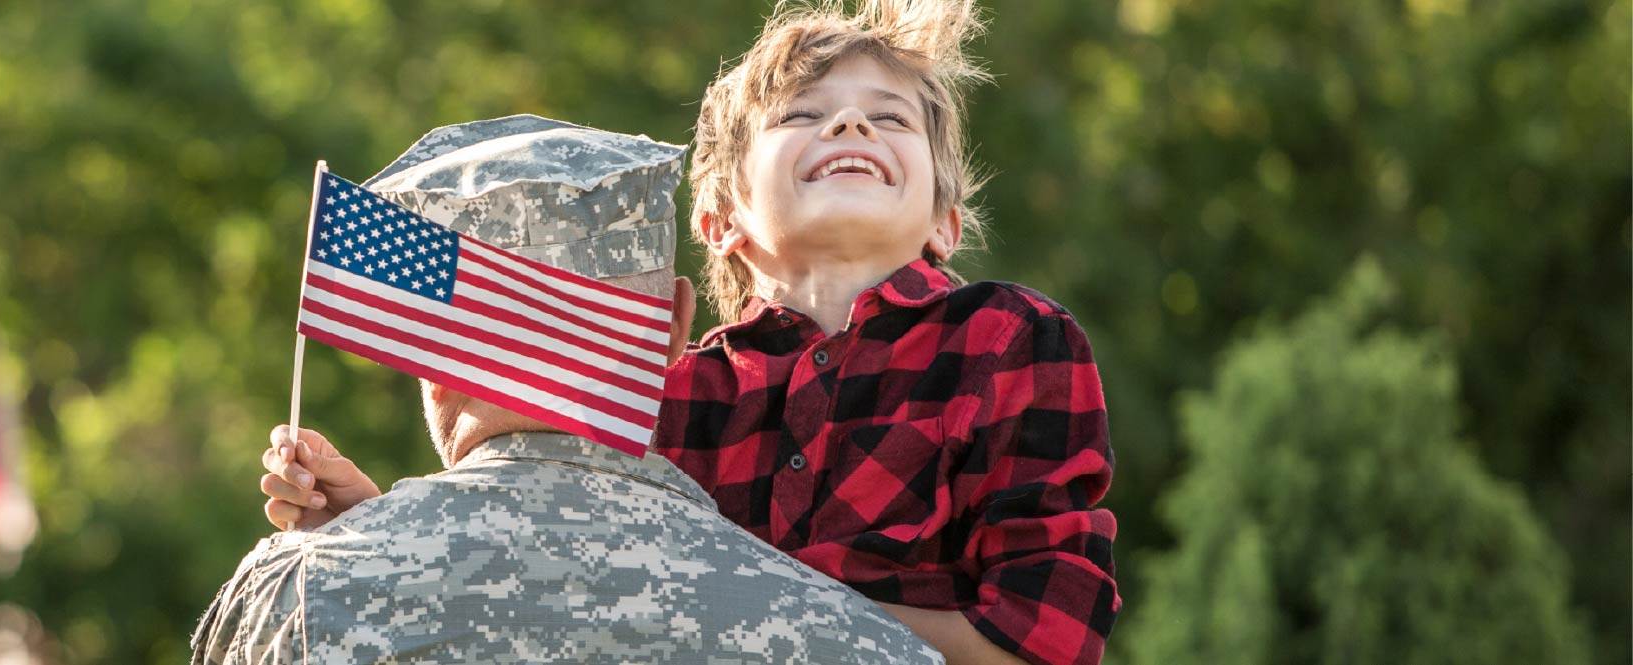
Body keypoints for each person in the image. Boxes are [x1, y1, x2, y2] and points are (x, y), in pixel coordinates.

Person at [261, 3, 1122, 664]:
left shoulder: (1013, 340)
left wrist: (758, 604)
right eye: (804, 115)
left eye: (889, 118)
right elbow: (558, 577)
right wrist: (377, 526)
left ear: (945, 218)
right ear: (719, 219)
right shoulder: (668, 396)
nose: (851, 126)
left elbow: (1040, 639)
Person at [196, 115, 943, 664]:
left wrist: (363, 551)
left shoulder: (295, 596)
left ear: (429, 338)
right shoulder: (857, 641)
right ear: (678, 324)